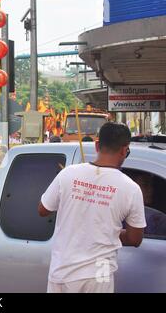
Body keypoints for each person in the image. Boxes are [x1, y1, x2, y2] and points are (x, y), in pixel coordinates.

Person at [38, 122, 146, 293]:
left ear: (97, 145)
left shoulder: (68, 173)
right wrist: (108, 231)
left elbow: (43, 210)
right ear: (125, 150)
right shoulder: (131, 189)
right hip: (100, 272)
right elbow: (135, 239)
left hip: (61, 271)